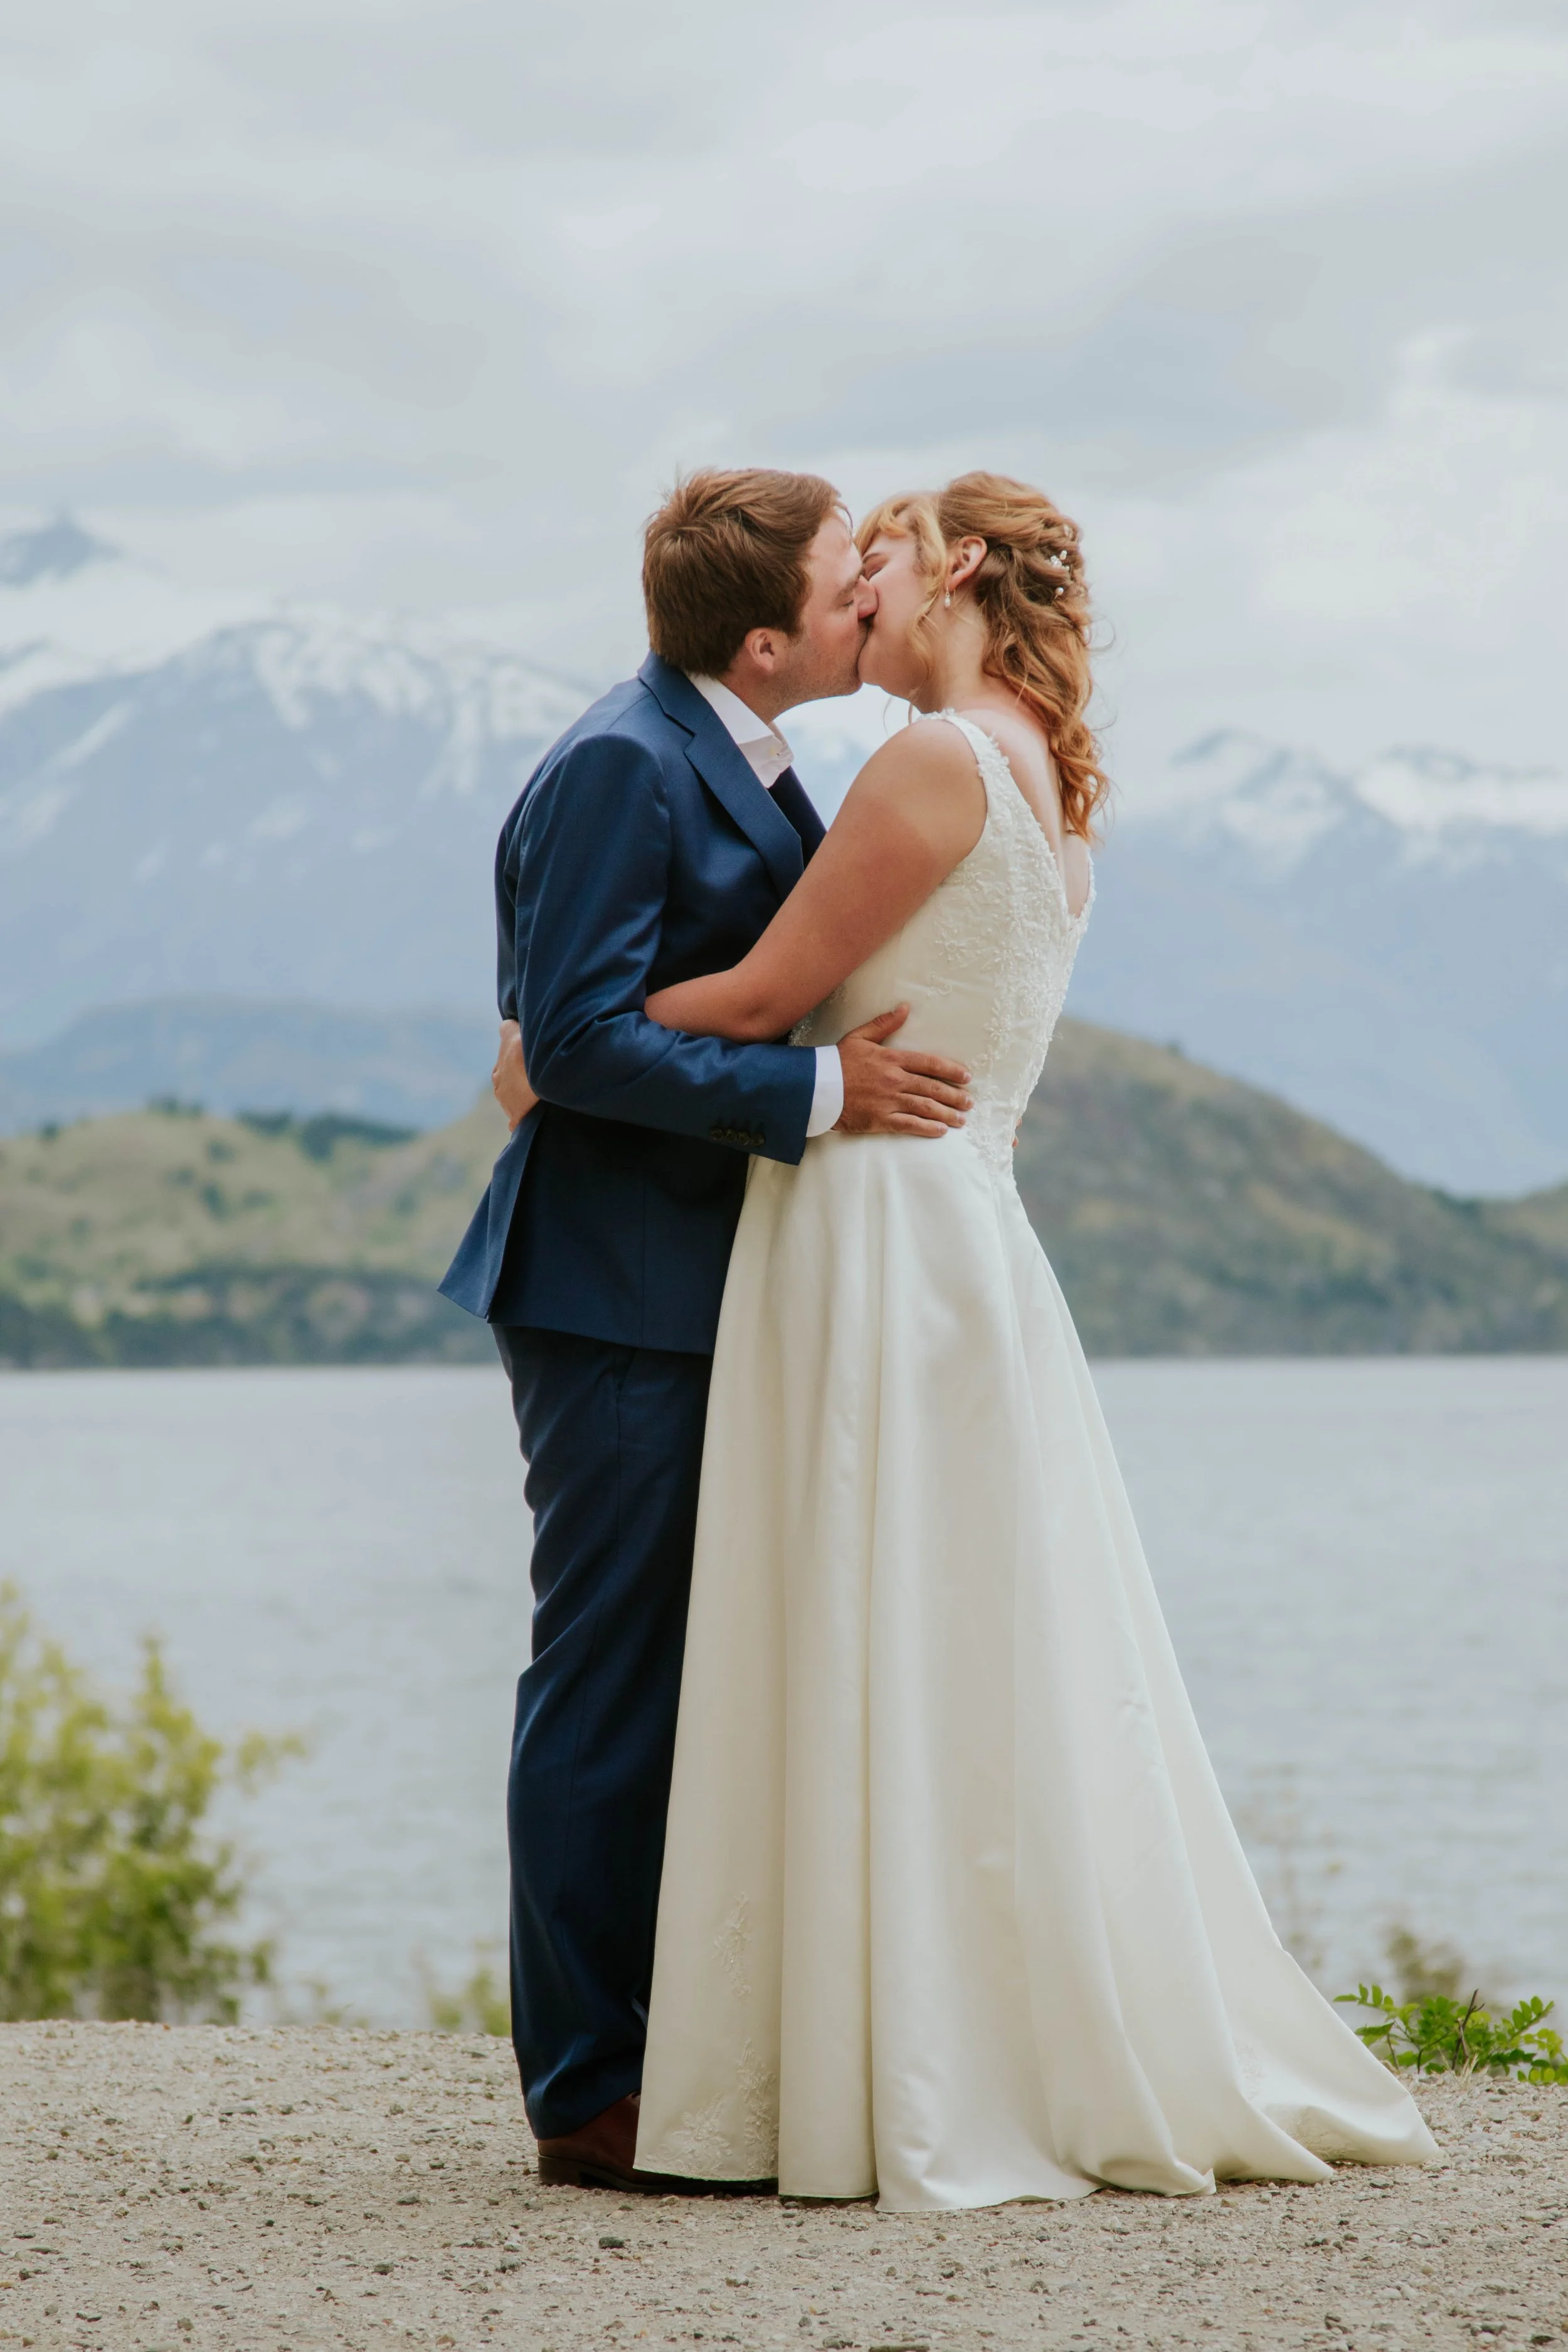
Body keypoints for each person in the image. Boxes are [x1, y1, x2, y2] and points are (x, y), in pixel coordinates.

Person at [576, 470, 1438, 2209]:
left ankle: (871, 2054)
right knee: (961, 1644)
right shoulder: (1058, 794)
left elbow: (753, 1004)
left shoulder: (930, 761)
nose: (858, 593)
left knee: (864, 1626)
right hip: (965, 1232)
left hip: (870, 1223)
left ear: (951, 564)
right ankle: (952, 2023)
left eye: (875, 555)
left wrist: (557, 1035)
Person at [439, 468, 972, 2193]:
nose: (867, 594)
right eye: (843, 581)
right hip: (610, 1292)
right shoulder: (621, 760)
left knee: (694, 1674)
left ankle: (684, 2048)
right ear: (764, 638)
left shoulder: (739, 752)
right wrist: (819, 1085)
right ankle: (586, 2089)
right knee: (607, 1675)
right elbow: (569, 1044)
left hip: (701, 1280)